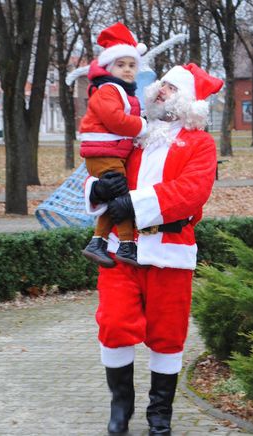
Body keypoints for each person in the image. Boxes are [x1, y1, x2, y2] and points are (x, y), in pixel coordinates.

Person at [84, 63, 223, 434]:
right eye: (160, 84)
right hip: (119, 250)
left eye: (170, 87)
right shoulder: (134, 136)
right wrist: (95, 191)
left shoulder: (201, 144)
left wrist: (133, 204)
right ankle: (120, 407)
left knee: (167, 335)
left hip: (170, 252)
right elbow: (101, 164)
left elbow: (191, 192)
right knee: (113, 325)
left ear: (189, 101)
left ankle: (160, 415)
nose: (160, 90)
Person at [80, 22, 148, 268]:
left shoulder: (122, 92)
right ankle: (127, 246)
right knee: (120, 196)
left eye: (132, 65)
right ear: (109, 66)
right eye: (121, 65)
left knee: (115, 196)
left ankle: (98, 242)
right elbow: (116, 121)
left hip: (110, 153)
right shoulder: (107, 90)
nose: (128, 70)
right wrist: (143, 126)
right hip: (103, 153)